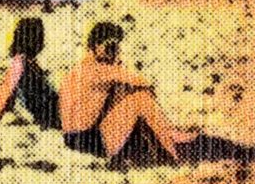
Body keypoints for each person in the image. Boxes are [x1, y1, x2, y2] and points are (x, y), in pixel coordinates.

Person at [58, 20, 199, 164]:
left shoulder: (81, 69)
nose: (113, 51)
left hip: (79, 136)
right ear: (95, 46)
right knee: (140, 99)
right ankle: (169, 153)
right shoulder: (95, 69)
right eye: (110, 47)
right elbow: (144, 83)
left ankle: (167, 140)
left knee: (129, 94)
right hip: (86, 139)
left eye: (115, 47)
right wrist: (118, 63)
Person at [0, 16, 62, 132]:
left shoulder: (28, 63)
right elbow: (4, 97)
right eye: (41, 37)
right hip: (51, 114)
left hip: (53, 111)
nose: (43, 42)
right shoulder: (20, 64)